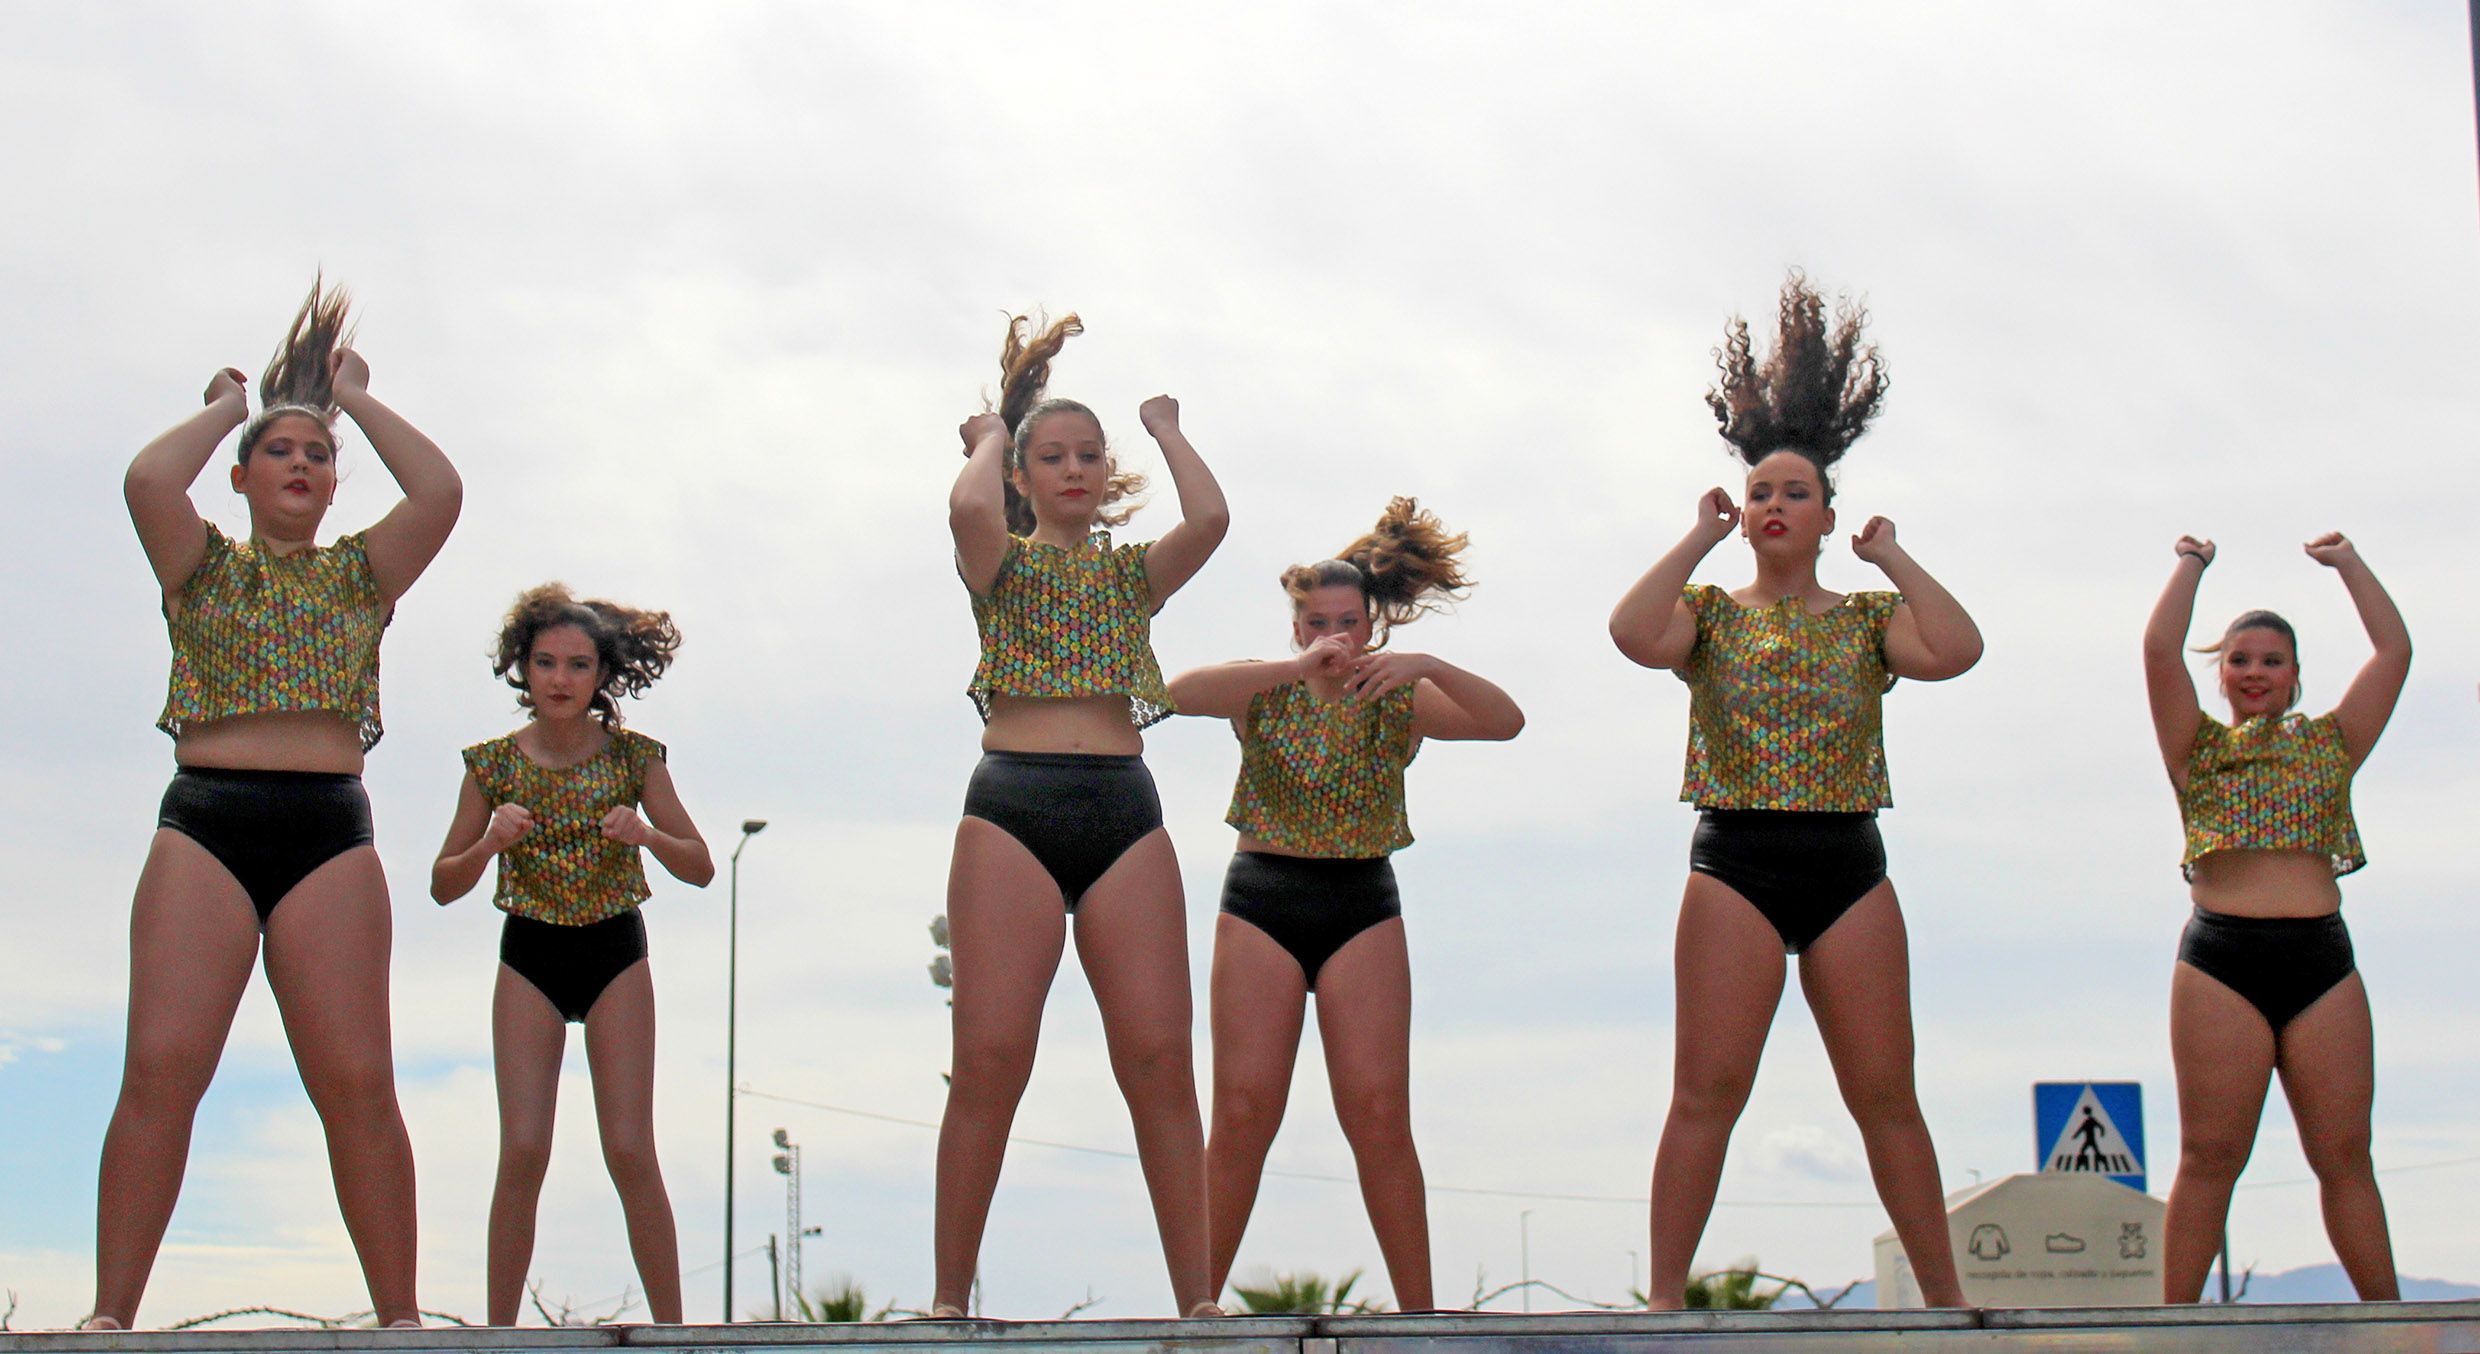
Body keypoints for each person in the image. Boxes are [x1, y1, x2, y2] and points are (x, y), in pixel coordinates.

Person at [1607, 274, 1979, 1309]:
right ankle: (1667, 1300)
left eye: (1794, 493)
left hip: (1846, 861)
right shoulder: (1707, 614)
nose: (1774, 504)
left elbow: (1955, 648)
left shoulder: (1866, 619)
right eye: (1760, 492)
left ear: (1826, 515)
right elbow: (1632, 635)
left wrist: (1892, 555)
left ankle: (1945, 1302)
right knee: (1706, 1092)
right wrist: (1694, 535)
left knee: (1884, 1095)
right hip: (1734, 858)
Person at [94, 278, 460, 1328]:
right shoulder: (200, 566)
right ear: (243, 476)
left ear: (335, 483)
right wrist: (226, 405)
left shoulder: (361, 575)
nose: (302, 463)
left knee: (356, 1081)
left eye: (319, 455)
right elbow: (144, 479)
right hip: (205, 820)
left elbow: (438, 494)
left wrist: (358, 400)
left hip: (327, 832)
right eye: (281, 451)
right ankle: (111, 1314)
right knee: (161, 1070)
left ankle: (399, 1317)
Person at [935, 313, 1230, 1317]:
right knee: (988, 1058)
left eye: (1087, 455)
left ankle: (1198, 1300)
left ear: (1106, 471)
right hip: (1010, 805)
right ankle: (946, 1300)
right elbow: (963, 512)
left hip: (1122, 808)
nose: (1072, 469)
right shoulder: (1000, 566)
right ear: (1023, 477)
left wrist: (1164, 428)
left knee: (1157, 1059)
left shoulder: (1125, 575)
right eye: (1051, 457)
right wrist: (987, 438)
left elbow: (1208, 523)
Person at [1166, 497, 1523, 1312]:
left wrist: (1427, 664)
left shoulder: (1396, 695)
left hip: (1362, 900)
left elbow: (1506, 722)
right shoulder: (1267, 689)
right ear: (1298, 628)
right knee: (1245, 1111)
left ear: (1372, 627)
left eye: (1349, 621)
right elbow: (1177, 693)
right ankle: (1198, 1303)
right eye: (1318, 622)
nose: (1335, 635)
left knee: (1377, 1114)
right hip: (1262, 897)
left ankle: (1420, 1314)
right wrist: (1291, 671)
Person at [431, 584, 713, 1324]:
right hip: (530, 951)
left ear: (602, 675)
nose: (560, 679)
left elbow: (702, 863)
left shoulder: (634, 759)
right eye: (545, 662)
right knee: (523, 1150)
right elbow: (441, 883)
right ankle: (498, 1332)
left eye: (577, 664)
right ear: (521, 669)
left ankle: (673, 1330)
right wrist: (490, 841)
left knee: (629, 1149)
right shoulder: (491, 765)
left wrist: (646, 835)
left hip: (614, 947)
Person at [2143, 533, 2407, 1302]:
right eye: (2240, 659)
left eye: (2271, 661)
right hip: (2221, 959)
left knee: (2344, 1152)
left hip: (2322, 959)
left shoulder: (2332, 743)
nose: (2255, 672)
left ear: (2294, 676)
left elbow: (2394, 652)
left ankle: (2389, 1323)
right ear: (2222, 674)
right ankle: (2174, 1327)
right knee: (2212, 1153)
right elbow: (2159, 650)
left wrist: (2352, 564)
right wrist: (2190, 564)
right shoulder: (2196, 746)